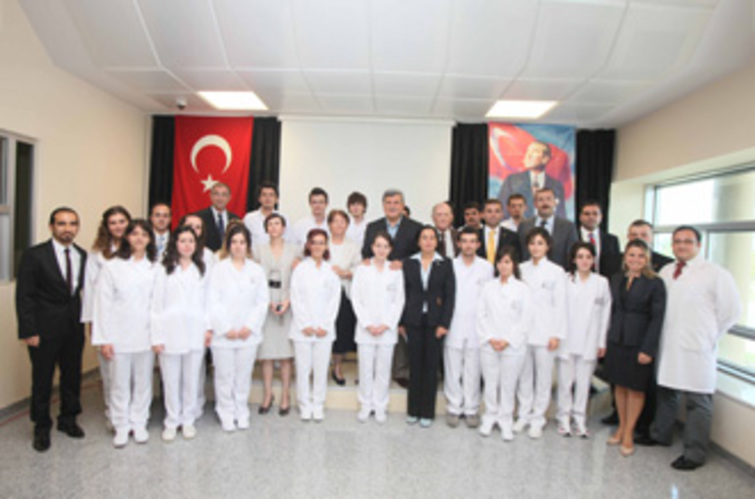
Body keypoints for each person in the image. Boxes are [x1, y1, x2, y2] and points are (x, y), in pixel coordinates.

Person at [642, 226, 740, 471]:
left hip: (698, 346)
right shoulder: (667, 271)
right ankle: (660, 434)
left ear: (699, 245)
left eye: (687, 241)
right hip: (669, 344)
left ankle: (695, 453)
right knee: (667, 392)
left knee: (698, 400)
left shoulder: (716, 274)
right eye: (677, 241)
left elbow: (731, 312)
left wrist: (709, 335)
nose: (681, 245)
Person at [15, 207, 87, 452]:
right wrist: (28, 330)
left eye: (72, 224)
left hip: (73, 328)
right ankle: (41, 426)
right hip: (43, 330)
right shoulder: (35, 255)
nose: (67, 229)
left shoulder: (81, 254)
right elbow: (24, 296)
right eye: (62, 223)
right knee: (42, 379)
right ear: (51, 226)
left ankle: (68, 419)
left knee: (72, 376)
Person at [92, 219, 159, 448]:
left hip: (147, 336)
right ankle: (120, 424)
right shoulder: (112, 267)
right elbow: (102, 305)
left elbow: (160, 304)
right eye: (134, 233)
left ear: (150, 239)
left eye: (144, 234)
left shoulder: (155, 267)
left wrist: (159, 336)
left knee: (143, 382)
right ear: (127, 237)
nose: (139, 238)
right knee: (119, 384)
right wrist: (104, 339)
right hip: (119, 335)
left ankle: (139, 422)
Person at [602, 219, 673, 427]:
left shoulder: (655, 282)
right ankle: (621, 426)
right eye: (632, 254)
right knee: (619, 385)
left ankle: (629, 431)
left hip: (638, 341)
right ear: (625, 256)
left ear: (647, 258)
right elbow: (612, 310)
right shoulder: (617, 279)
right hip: (617, 339)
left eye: (641, 255)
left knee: (635, 387)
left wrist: (648, 349)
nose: (636, 259)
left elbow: (657, 318)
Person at [207, 222, 269, 432]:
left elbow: (262, 302)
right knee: (224, 376)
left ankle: (241, 410)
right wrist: (226, 328)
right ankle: (225, 412)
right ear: (228, 244)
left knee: (243, 375)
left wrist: (249, 327)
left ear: (248, 245)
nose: (238, 246)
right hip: (224, 335)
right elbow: (212, 301)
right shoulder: (218, 269)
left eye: (242, 242)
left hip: (247, 335)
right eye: (234, 242)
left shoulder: (256, 270)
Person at [151, 225, 210, 442]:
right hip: (170, 334)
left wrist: (208, 328)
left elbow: (207, 303)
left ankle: (188, 420)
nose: (187, 245)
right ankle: (171, 421)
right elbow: (156, 306)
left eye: (191, 241)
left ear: (196, 245)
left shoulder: (201, 269)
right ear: (175, 243)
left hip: (195, 332)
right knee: (171, 380)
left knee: (192, 380)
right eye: (183, 240)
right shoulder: (163, 269)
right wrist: (157, 337)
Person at [362, 189, 423, 388]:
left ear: (403, 205)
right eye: (388, 202)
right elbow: (366, 252)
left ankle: (401, 370)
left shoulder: (416, 227)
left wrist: (402, 262)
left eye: (396, 202)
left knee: (402, 325)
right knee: (381, 323)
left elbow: (420, 254)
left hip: (407, 284)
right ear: (383, 205)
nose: (392, 206)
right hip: (379, 285)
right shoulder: (373, 227)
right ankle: (375, 371)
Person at [81, 205, 132, 430]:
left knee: (132, 371)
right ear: (106, 226)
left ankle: (133, 413)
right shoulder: (98, 254)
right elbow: (90, 290)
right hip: (107, 319)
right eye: (113, 222)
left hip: (133, 319)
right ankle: (113, 413)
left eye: (122, 221)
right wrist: (92, 322)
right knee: (110, 370)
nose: (118, 226)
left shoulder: (138, 248)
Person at [400, 226, 456, 428]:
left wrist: (444, 323)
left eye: (432, 237)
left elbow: (450, 296)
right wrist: (401, 321)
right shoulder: (409, 263)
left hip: (435, 321)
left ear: (436, 241)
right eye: (424, 237)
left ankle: (427, 412)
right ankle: (413, 410)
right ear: (418, 241)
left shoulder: (445, 263)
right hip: (413, 320)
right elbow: (402, 293)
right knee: (415, 365)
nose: (428, 241)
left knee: (431, 367)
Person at [514, 227, 567, 439]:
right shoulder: (520, 269)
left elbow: (560, 306)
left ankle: (538, 419)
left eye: (540, 243)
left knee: (543, 379)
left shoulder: (557, 272)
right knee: (524, 377)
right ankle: (523, 415)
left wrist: (556, 334)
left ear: (547, 246)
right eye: (532, 243)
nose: (536, 247)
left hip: (546, 334)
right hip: (523, 333)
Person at [476, 247, 533, 440]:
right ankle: (490, 416)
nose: (503, 266)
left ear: (514, 264)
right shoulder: (488, 287)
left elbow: (526, 319)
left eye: (507, 262)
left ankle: (505, 419)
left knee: (508, 385)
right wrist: (490, 338)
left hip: (513, 346)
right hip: (489, 344)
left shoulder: (523, 289)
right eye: (500, 262)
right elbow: (481, 314)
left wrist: (508, 340)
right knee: (491, 382)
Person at [556, 243, 612, 438]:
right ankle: (563, 417)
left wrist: (601, 342)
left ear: (594, 259)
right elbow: (558, 309)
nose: (584, 261)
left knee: (583, 382)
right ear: (573, 259)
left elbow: (605, 314)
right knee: (565, 382)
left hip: (590, 339)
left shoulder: (601, 282)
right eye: (580, 257)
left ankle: (579, 418)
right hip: (567, 338)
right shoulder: (565, 280)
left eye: (588, 257)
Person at [351, 232, 405, 423]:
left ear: (390, 249)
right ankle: (365, 405)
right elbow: (356, 298)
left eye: (385, 246)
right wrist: (367, 323)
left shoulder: (395, 271)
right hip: (365, 329)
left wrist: (386, 324)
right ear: (372, 247)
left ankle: (380, 405)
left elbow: (399, 300)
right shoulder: (362, 269)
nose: (381, 250)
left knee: (383, 370)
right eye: (378, 246)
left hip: (387, 330)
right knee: (365, 370)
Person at [290, 229, 341, 421]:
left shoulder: (331, 271)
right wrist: (304, 323)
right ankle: (304, 404)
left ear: (326, 246)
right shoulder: (300, 269)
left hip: (324, 330)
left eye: (321, 242)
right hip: (302, 328)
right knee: (303, 368)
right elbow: (296, 297)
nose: (318, 246)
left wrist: (325, 325)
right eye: (314, 242)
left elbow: (334, 301)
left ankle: (318, 404)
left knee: (321, 368)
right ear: (308, 245)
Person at [444, 228, 493, 428]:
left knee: (473, 369)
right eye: (464, 241)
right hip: (454, 322)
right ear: (458, 243)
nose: (468, 245)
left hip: (477, 325)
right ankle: (454, 407)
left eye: (472, 241)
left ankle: (471, 409)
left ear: (478, 244)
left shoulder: (486, 268)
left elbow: (489, 299)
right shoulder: (450, 265)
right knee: (452, 368)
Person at [252, 214, 298, 416]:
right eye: (269, 224)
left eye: (277, 223)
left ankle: (285, 395)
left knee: (286, 355)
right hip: (266, 303)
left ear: (284, 227)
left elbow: (298, 279)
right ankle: (268, 394)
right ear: (265, 228)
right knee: (267, 354)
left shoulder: (295, 250)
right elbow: (255, 279)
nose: (273, 227)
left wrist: (288, 300)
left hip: (287, 302)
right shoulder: (258, 250)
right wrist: (267, 301)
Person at [177, 213, 216, 419]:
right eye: (189, 225)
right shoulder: (169, 258)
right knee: (175, 369)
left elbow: (211, 293)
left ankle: (194, 406)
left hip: (199, 320)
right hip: (175, 323)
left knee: (196, 368)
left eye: (198, 227)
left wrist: (209, 325)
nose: (193, 230)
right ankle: (175, 409)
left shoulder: (208, 256)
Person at [328, 210, 362, 385]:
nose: (339, 225)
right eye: (335, 221)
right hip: (324, 294)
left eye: (342, 221)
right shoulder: (322, 242)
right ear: (329, 224)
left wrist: (346, 272)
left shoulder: (353, 246)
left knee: (341, 330)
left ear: (347, 225)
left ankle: (337, 366)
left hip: (345, 291)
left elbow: (359, 267)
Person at [497, 140, 566, 219]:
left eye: (534, 151)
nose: (528, 155)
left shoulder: (556, 185)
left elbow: (560, 215)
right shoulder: (512, 181)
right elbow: (501, 211)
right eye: (528, 151)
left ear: (545, 158)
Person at [518, 188, 578, 268]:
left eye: (548, 199)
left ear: (555, 202)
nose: (545, 203)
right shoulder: (524, 225)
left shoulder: (568, 227)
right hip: (528, 272)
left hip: (559, 273)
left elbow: (573, 254)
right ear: (535, 204)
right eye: (540, 200)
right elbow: (520, 252)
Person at [578, 201, 621, 278]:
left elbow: (616, 267)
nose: (591, 217)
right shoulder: (572, 238)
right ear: (580, 217)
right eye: (587, 214)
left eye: (595, 214)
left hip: (605, 282)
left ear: (601, 217)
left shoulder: (612, 240)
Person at [195, 182, 241, 252]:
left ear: (229, 197)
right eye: (216, 194)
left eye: (224, 195)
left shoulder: (236, 219)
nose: (220, 198)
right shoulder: (199, 218)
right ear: (210, 196)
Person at [477, 199, 521, 265]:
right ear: (482, 215)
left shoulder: (512, 236)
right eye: (489, 211)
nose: (493, 215)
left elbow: (517, 260)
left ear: (502, 214)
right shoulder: (475, 236)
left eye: (497, 211)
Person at [243, 181, 288, 246]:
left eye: (271, 195)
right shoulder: (249, 219)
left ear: (277, 199)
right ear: (259, 199)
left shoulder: (284, 218)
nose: (268, 198)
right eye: (264, 195)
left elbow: (289, 240)